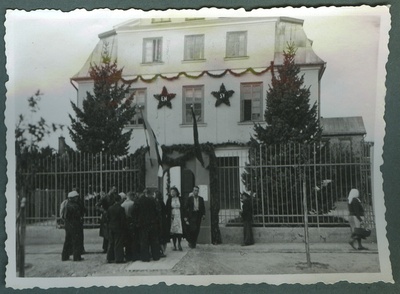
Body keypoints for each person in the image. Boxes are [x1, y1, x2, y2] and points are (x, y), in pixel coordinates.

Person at [136, 188, 161, 262]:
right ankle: (156, 256)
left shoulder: (140, 201)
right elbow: (158, 211)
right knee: (154, 240)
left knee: (144, 241)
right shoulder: (153, 200)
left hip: (143, 223)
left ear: (144, 193)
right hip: (152, 222)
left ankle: (145, 257)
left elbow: (135, 211)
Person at [61, 191, 84, 261]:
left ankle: (64, 256)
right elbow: (79, 215)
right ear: (74, 198)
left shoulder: (66, 204)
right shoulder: (75, 206)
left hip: (68, 224)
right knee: (76, 241)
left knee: (67, 240)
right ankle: (77, 257)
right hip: (75, 225)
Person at [106, 193, 126, 263]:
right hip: (118, 227)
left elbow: (107, 218)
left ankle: (109, 257)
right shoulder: (121, 209)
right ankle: (118, 258)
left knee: (111, 242)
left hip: (111, 227)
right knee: (118, 243)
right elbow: (123, 219)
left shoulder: (110, 208)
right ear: (120, 200)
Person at [96, 187, 116, 253]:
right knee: (106, 232)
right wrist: (103, 211)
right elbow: (97, 205)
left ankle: (109, 246)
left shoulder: (114, 197)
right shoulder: (105, 197)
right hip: (106, 216)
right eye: (114, 189)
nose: (115, 191)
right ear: (110, 189)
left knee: (110, 231)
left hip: (112, 215)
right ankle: (105, 247)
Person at [166, 187, 185, 251]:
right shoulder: (169, 200)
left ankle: (179, 244)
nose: (172, 193)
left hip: (179, 215)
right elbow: (167, 208)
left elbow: (183, 207)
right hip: (173, 215)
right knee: (173, 231)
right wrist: (169, 215)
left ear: (176, 192)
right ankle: (174, 245)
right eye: (171, 192)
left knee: (179, 230)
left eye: (173, 191)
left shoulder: (180, 199)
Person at [121, 191, 135, 261]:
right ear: (132, 196)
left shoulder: (122, 204)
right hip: (131, 222)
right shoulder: (133, 203)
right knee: (132, 239)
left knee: (126, 240)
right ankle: (132, 254)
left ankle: (127, 254)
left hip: (125, 223)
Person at [154, 190, 169, 257]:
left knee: (159, 236)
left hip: (159, 221)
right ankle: (163, 251)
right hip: (164, 221)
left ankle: (162, 251)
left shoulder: (156, 203)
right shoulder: (162, 202)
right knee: (163, 236)